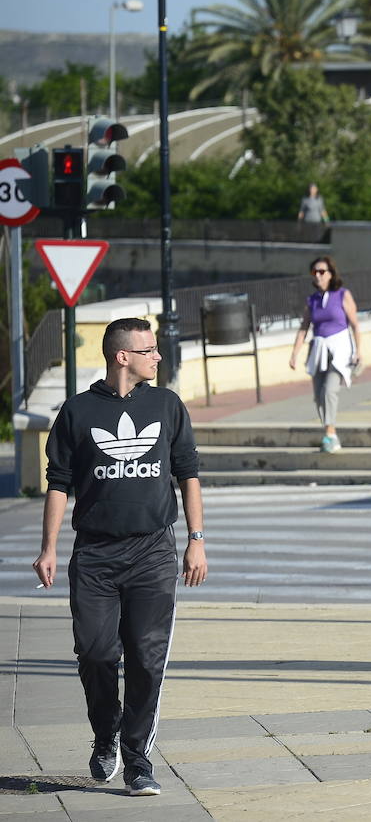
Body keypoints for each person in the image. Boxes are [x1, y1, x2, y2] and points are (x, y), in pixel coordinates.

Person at [33, 317, 206, 797]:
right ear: (121, 356)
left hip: (153, 551)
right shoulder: (78, 411)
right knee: (96, 653)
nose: (158, 357)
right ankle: (104, 731)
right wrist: (48, 548)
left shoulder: (167, 406)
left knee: (147, 660)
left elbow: (188, 473)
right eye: (149, 350)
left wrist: (197, 537)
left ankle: (137, 760)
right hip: (94, 555)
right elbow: (59, 483)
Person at [289, 256, 362, 453]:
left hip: (339, 350)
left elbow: (355, 324)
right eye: (315, 272)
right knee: (318, 395)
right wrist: (295, 353)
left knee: (330, 391)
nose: (318, 275)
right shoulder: (312, 300)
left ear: (331, 274)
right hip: (318, 350)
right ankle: (330, 432)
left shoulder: (342, 295)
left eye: (322, 271)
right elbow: (304, 327)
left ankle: (330, 435)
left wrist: (358, 351)